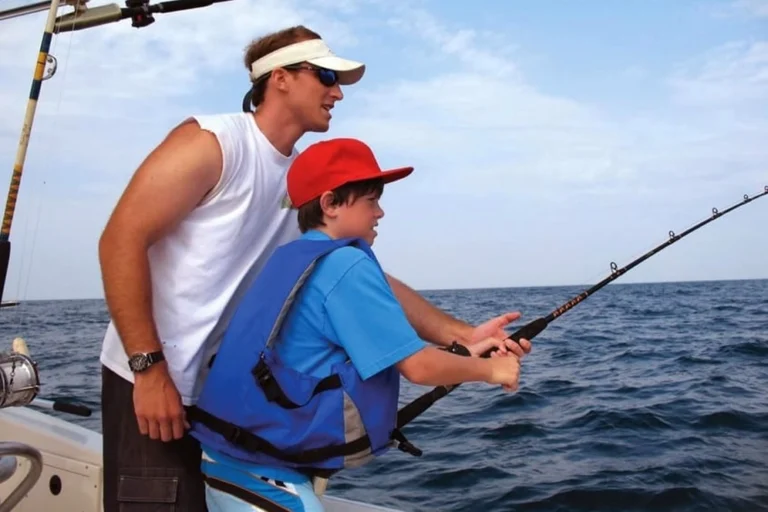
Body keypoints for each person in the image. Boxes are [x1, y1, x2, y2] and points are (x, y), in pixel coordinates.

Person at [97, 25, 532, 512]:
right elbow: (120, 240)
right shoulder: (214, 143)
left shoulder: (305, 181)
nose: (338, 91)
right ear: (279, 77)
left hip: (225, 394)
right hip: (152, 375)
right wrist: (149, 371)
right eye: (326, 75)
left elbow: (359, 280)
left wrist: (460, 332)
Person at [188, 137, 527, 511]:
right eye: (371, 201)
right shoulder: (346, 265)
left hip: (226, 462)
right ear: (330, 203)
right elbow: (419, 366)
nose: (380, 213)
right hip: (269, 481)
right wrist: (494, 370)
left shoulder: (293, 258)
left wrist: (466, 348)